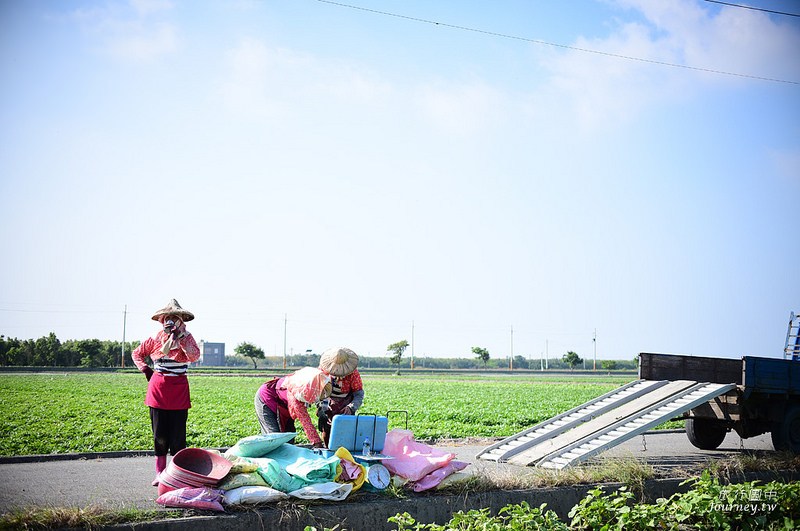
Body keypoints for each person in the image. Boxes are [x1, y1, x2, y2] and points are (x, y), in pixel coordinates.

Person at [131, 299, 200, 486]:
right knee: (159, 435)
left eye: (174, 318)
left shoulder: (188, 338)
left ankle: (177, 474)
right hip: (158, 391)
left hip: (179, 391)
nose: (170, 321)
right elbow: (136, 353)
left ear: (181, 320)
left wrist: (180, 338)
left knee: (178, 436)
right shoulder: (155, 339)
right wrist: (145, 368)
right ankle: (160, 473)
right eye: (167, 318)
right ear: (162, 320)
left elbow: (194, 356)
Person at [254, 367, 332, 448]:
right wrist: (317, 443)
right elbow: (306, 423)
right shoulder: (296, 398)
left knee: (288, 438)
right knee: (273, 438)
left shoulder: (314, 380)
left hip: (285, 407)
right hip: (267, 399)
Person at [317, 347, 364, 447]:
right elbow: (320, 392)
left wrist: (351, 407)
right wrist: (322, 408)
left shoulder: (353, 374)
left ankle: (345, 454)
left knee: (347, 432)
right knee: (327, 429)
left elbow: (358, 394)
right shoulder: (322, 372)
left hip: (346, 403)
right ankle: (328, 451)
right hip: (328, 401)